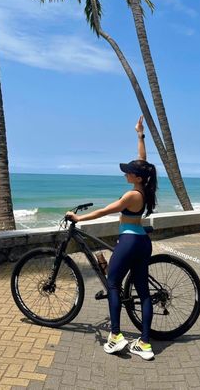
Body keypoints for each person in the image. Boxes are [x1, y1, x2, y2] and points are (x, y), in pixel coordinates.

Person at [66, 116, 157, 360]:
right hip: (142, 242)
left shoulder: (131, 196)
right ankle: (145, 345)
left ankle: (115, 337)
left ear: (138, 177)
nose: (126, 173)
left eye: (129, 172)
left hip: (128, 242)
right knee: (144, 293)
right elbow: (144, 162)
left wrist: (78, 219)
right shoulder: (146, 188)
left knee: (113, 285)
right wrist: (140, 135)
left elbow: (105, 211)